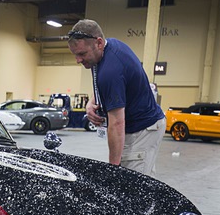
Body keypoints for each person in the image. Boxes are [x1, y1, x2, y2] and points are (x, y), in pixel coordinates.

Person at [67, 19, 166, 176]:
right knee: (143, 179)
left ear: (99, 43)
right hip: (146, 125)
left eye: (82, 54)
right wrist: (91, 102)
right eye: (75, 55)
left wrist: (113, 171)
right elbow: (113, 85)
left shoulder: (110, 71)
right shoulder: (111, 46)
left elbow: (117, 124)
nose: (78, 60)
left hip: (142, 130)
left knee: (131, 186)